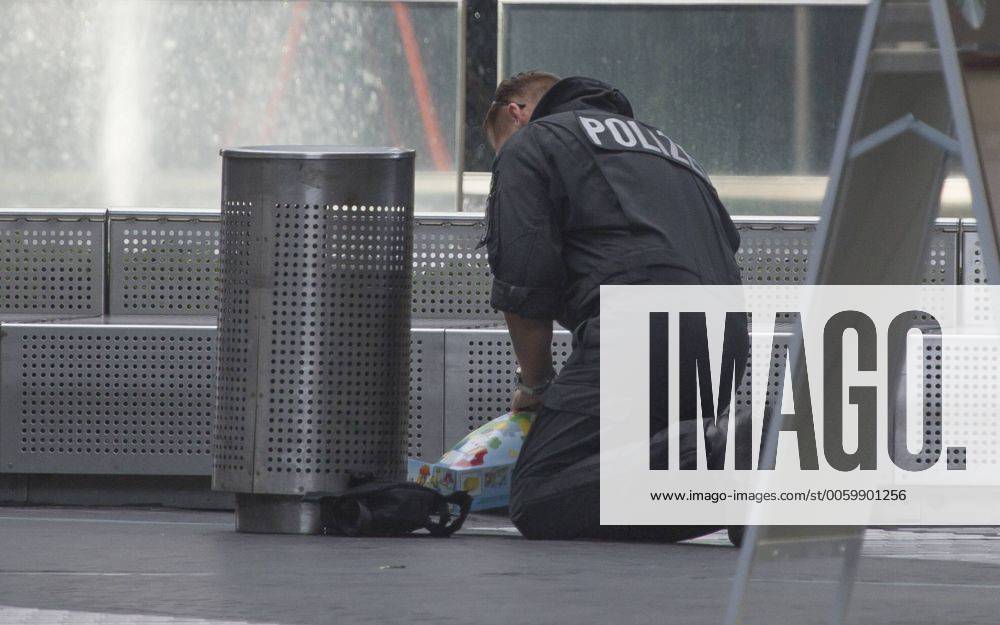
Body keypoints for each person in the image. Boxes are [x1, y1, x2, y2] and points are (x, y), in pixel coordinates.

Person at [481, 71, 747, 541]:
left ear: (515, 114)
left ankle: (735, 452)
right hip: (725, 341)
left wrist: (538, 385)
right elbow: (727, 240)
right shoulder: (668, 149)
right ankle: (753, 478)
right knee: (615, 467)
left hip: (641, 330)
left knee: (540, 494)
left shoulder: (532, 143)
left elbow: (525, 279)